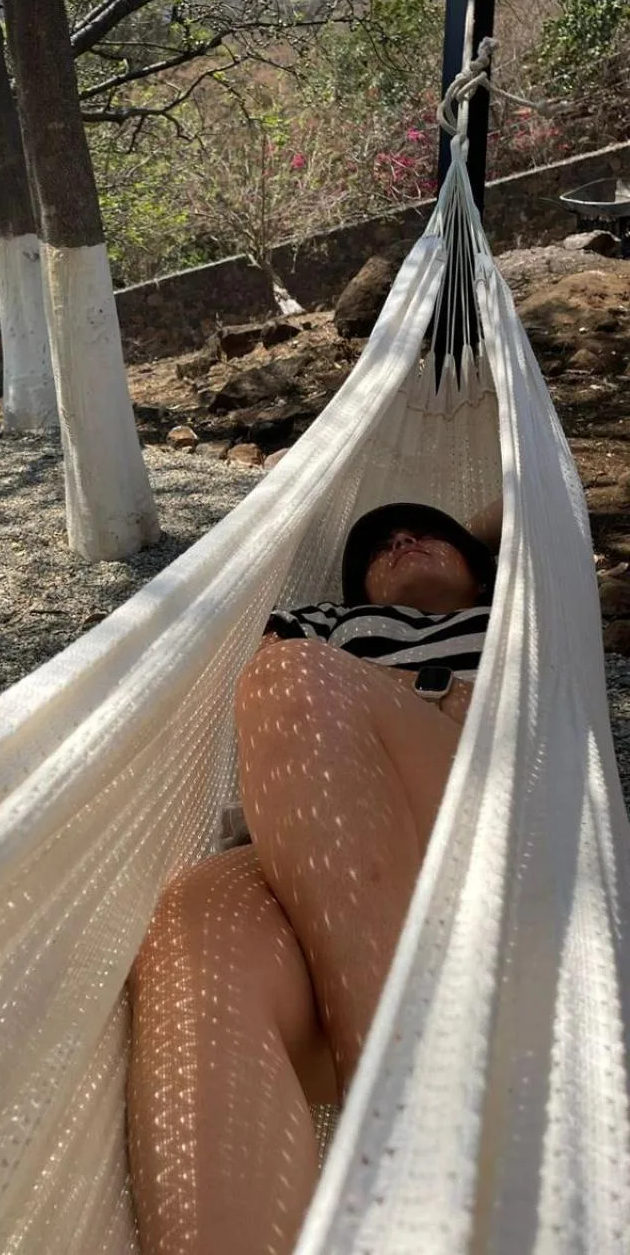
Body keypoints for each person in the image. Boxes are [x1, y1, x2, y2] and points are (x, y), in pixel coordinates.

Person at [127, 501, 499, 1255]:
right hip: (331, 886)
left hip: (479, 835)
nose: (401, 539)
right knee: (193, 913)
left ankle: (405, 1142)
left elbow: (529, 511)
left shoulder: (517, 606)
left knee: (295, 681)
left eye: (428, 532)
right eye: (380, 544)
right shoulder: (325, 622)